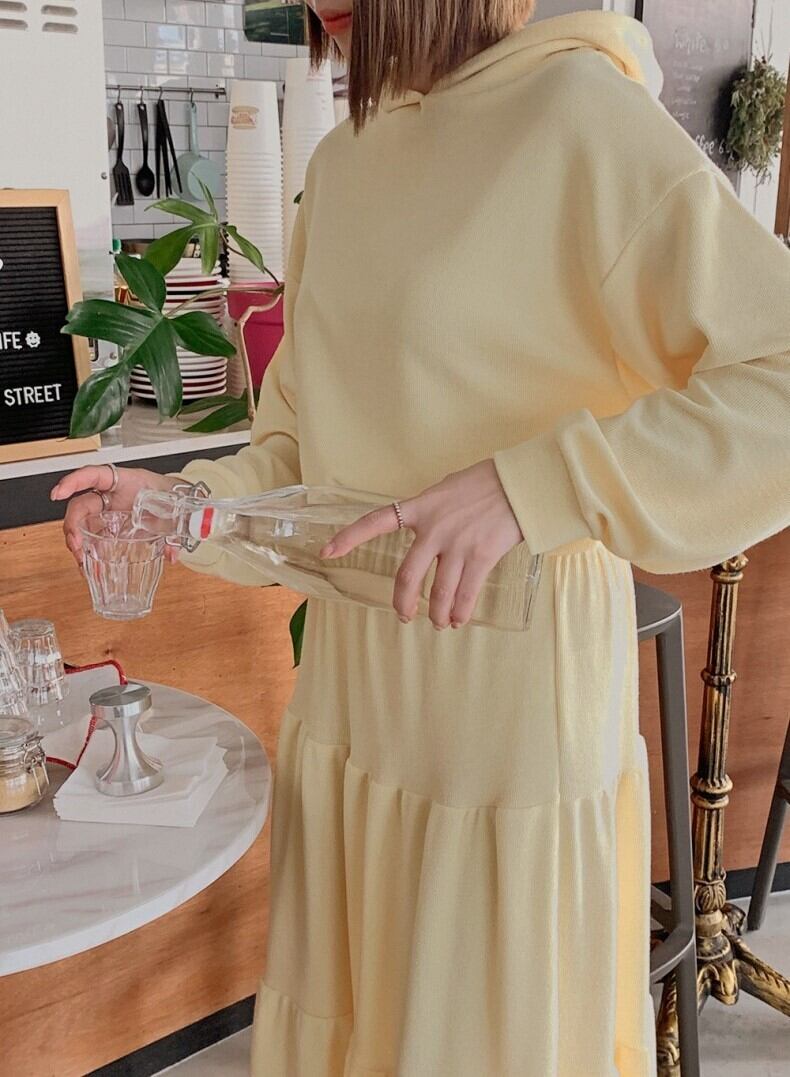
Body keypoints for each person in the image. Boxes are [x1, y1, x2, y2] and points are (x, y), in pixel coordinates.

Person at [53, 4, 790, 1074]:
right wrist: (176, 505)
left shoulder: (579, 117)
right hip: (355, 699)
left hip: (504, 718)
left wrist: (538, 485)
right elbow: (297, 451)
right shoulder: (342, 165)